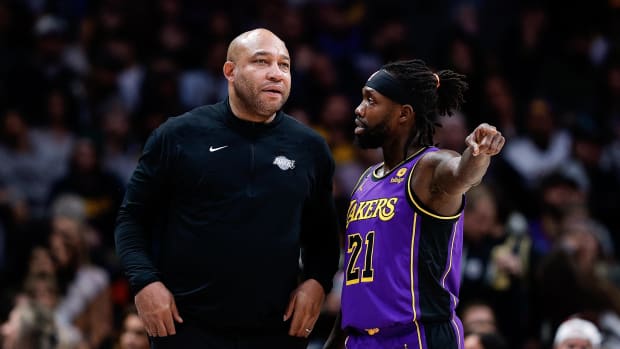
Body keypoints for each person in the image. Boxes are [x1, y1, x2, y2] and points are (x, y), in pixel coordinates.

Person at [114, 28, 340, 349]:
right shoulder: (178, 135)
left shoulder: (311, 147)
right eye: (262, 62)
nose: (276, 73)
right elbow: (131, 219)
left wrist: (317, 282)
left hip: (276, 330)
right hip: (186, 326)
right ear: (230, 71)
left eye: (284, 65)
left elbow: (323, 237)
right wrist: (145, 283)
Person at [324, 59, 505, 349]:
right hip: (360, 338)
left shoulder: (429, 167)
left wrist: (479, 153)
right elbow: (356, 282)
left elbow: (462, 174)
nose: (359, 109)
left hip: (415, 336)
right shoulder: (365, 180)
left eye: (371, 100)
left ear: (403, 114)